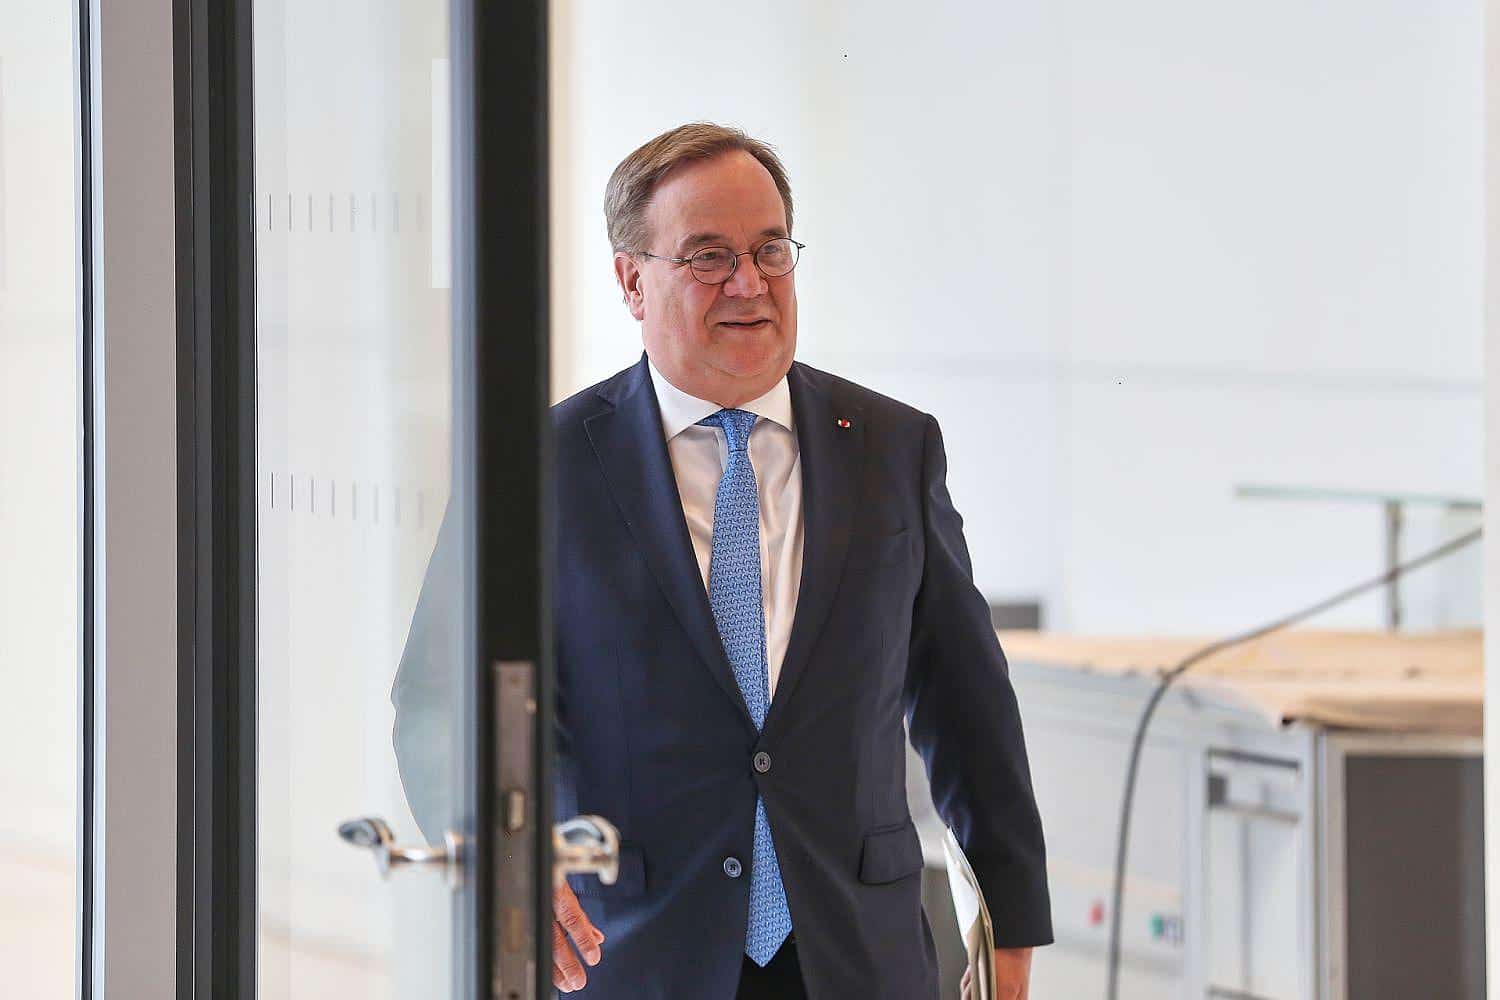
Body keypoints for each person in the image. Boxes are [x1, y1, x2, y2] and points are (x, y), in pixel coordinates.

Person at [542, 122, 1052, 998]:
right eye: (708, 256)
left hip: (854, 955)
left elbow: (967, 703)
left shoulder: (892, 447)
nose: (750, 284)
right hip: (635, 952)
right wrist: (528, 849)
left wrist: (1010, 921)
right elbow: (479, 701)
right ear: (631, 280)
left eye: (770, 249)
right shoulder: (549, 465)